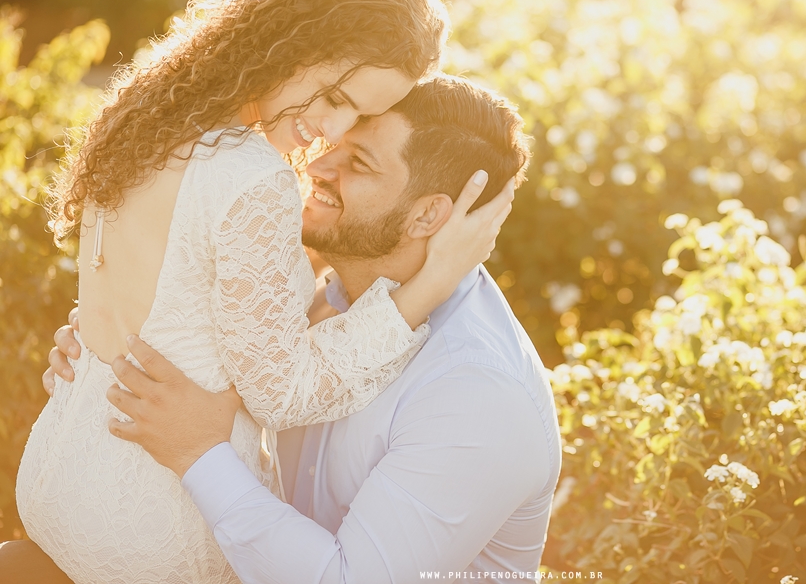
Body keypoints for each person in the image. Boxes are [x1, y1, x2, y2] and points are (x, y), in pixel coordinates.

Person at [13, 0, 513, 584]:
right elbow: (284, 391)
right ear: (295, 32)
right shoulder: (250, 174)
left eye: (356, 119)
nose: (329, 131)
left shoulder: (148, 108)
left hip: (60, 470)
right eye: (335, 98)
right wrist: (428, 283)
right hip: (149, 529)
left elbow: (184, 306)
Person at [44, 75, 560, 583]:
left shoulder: (479, 393)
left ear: (427, 215)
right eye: (334, 143)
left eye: (357, 162)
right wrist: (105, 354)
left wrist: (199, 452)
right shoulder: (318, 295)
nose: (316, 164)